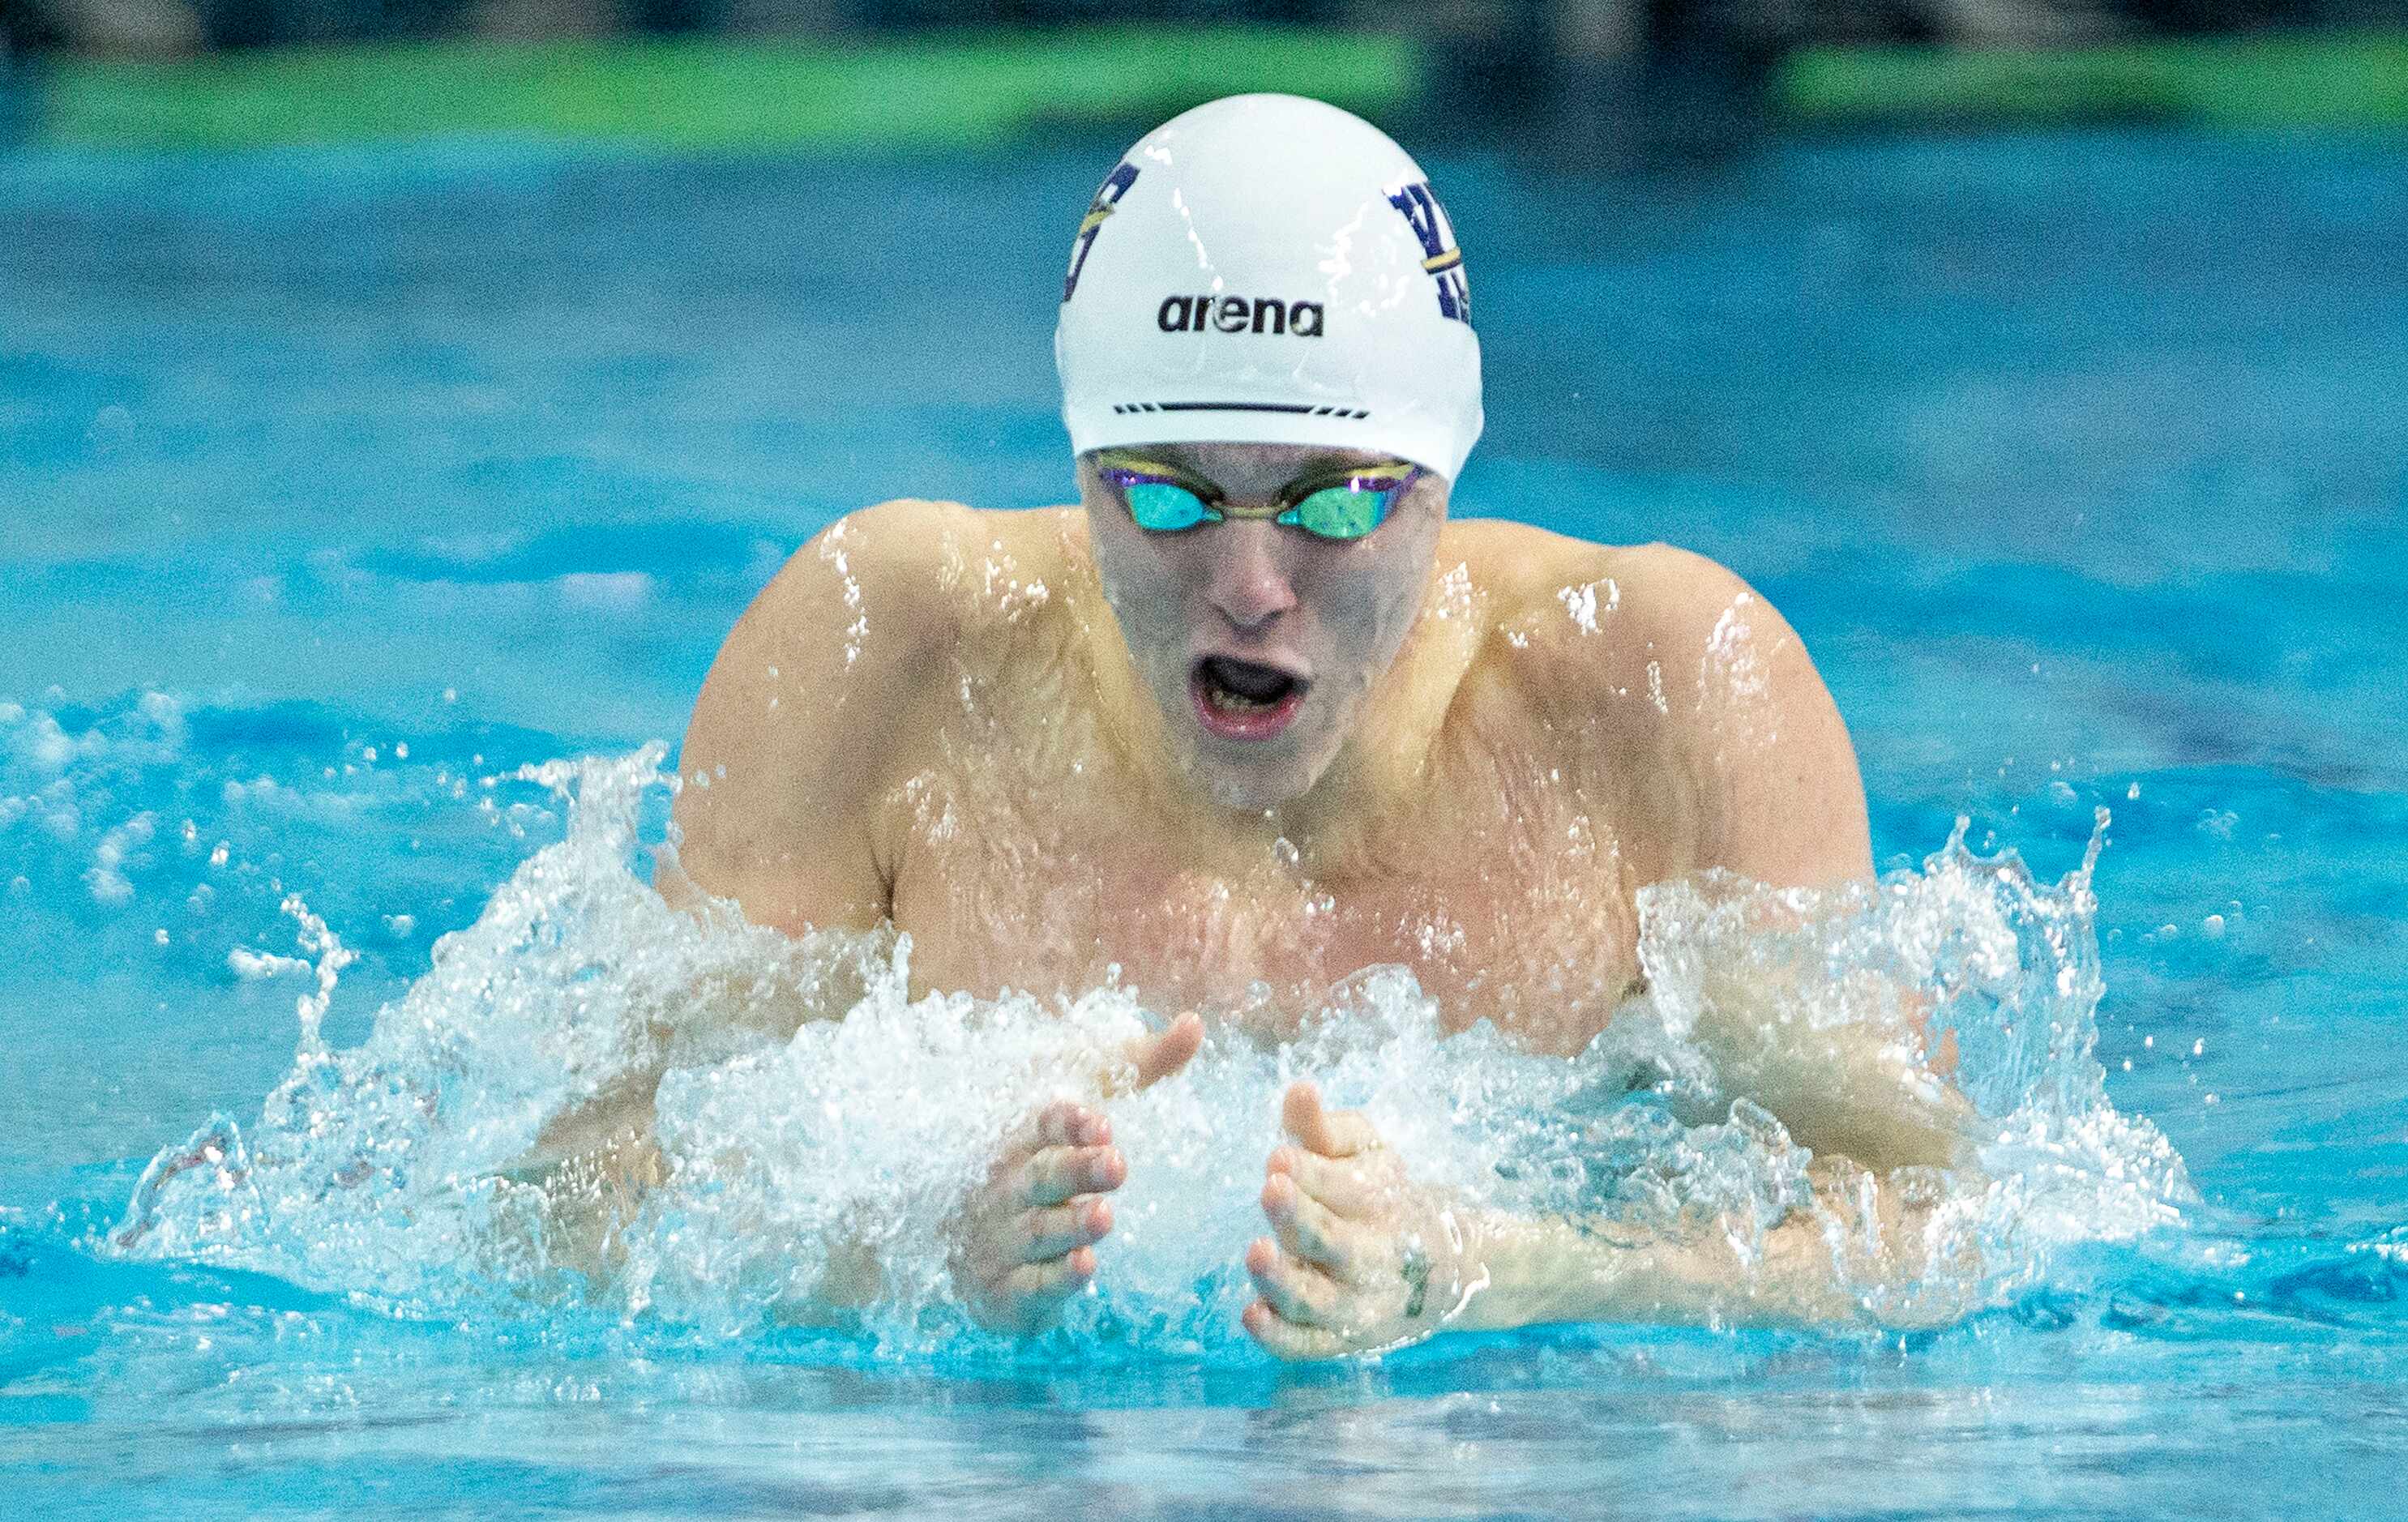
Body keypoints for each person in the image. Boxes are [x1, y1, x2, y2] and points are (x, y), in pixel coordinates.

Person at [653, 94, 1971, 1356]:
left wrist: (1521, 1268)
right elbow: (558, 1198)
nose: (1249, 587)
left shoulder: (1669, 692)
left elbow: (1934, 1232)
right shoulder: (875, 654)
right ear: (1079, 468)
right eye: (1168, 500)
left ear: (1443, 477)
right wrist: (894, 1258)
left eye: (1330, 504)